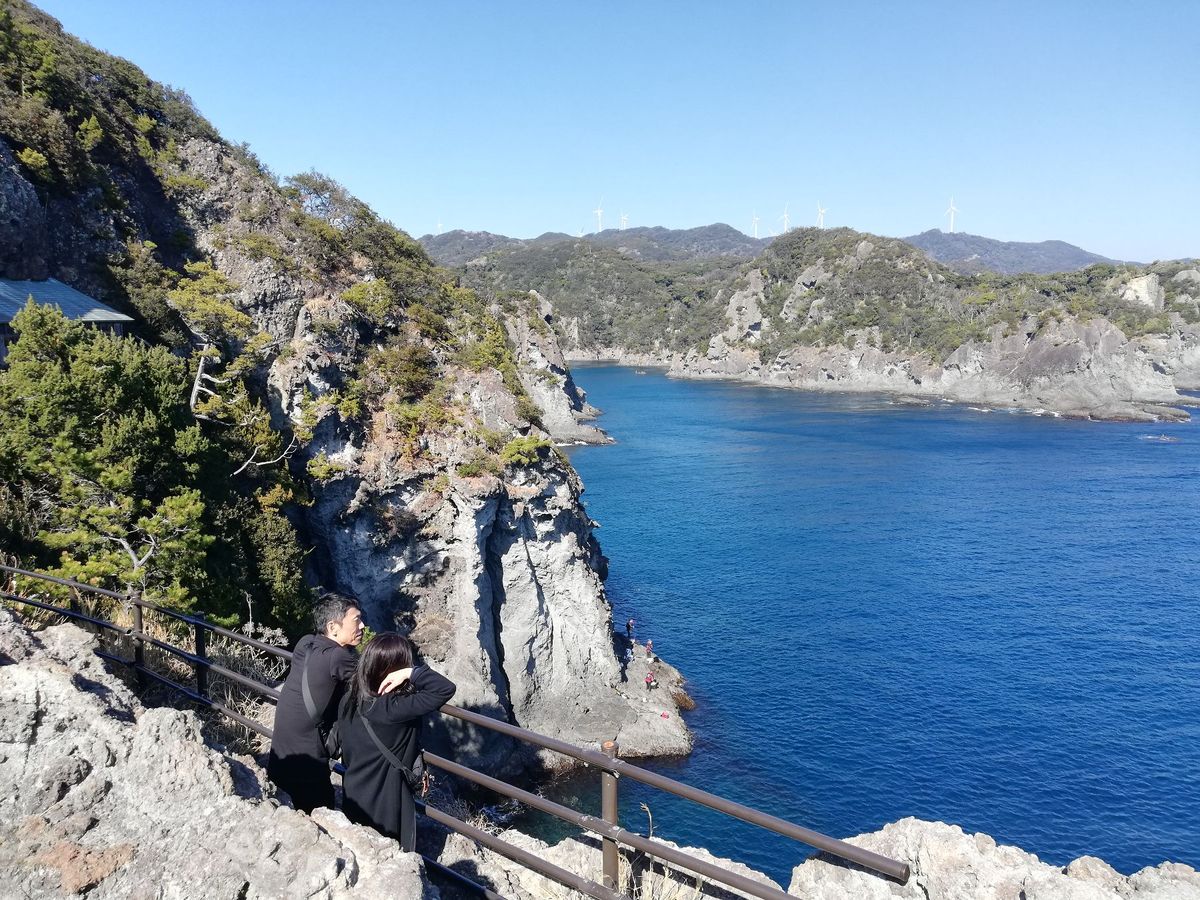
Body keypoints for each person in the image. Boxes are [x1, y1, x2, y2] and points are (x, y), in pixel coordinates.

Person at [267, 593, 405, 812]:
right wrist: (408, 673)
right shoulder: (338, 658)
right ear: (333, 627)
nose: (362, 625)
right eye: (356, 620)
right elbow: (376, 685)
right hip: (307, 761)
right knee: (320, 816)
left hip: (281, 751)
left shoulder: (305, 642)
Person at [339, 633, 456, 852]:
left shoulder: (350, 699)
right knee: (391, 857)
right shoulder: (393, 708)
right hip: (388, 803)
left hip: (353, 792)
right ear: (392, 671)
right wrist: (410, 673)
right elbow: (444, 689)